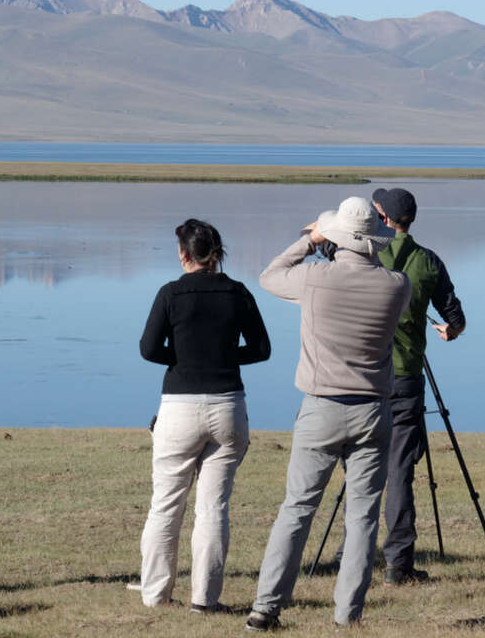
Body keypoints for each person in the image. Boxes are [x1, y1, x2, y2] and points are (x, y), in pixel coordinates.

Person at [246, 197, 411, 630]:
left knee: (297, 509)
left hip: (321, 408)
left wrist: (311, 240)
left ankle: (266, 607)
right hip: (374, 412)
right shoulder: (397, 285)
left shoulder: (315, 278)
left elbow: (268, 276)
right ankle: (347, 615)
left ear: (337, 236)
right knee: (361, 518)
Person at [137, 218, 271, 612]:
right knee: (213, 508)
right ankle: (205, 599)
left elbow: (148, 349)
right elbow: (261, 349)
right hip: (228, 406)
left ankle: (156, 595)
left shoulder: (170, 294)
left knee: (166, 504)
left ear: (183, 254)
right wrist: (225, 357)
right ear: (217, 254)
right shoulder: (238, 292)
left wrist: (181, 358)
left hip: (178, 407)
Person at [368, 187, 466, 585]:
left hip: (364, 377)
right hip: (407, 376)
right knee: (400, 470)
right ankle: (399, 564)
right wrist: (451, 332)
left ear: (384, 219)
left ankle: (350, 552)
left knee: (361, 467)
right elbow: (455, 315)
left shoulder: (363, 255)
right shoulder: (429, 261)